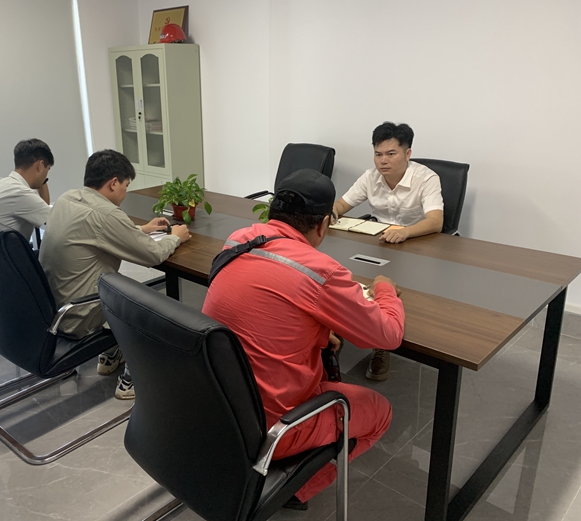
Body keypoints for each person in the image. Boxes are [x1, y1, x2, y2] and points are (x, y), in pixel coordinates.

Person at [202, 169, 404, 510]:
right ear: (323, 224)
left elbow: (265, 308)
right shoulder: (321, 270)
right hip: (271, 427)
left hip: (215, 404)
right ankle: (291, 492)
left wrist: (319, 331)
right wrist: (384, 288)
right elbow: (388, 334)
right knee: (379, 412)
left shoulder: (237, 240)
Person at [39, 149, 190, 400]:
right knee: (147, 303)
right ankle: (134, 377)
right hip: (80, 316)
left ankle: (110, 355)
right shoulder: (106, 214)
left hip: (55, 308)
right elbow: (152, 254)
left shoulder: (67, 198)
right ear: (113, 183)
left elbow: (96, 231)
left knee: (119, 288)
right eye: (126, 186)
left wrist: (141, 229)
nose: (125, 192)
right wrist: (175, 237)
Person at [333, 122, 442, 381]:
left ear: (407, 153)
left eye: (391, 154)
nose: (383, 161)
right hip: (380, 241)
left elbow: (436, 221)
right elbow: (342, 204)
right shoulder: (370, 177)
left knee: (386, 285)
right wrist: (332, 212)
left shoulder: (426, 178)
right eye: (378, 154)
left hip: (417, 245)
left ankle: (381, 346)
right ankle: (337, 331)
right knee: (346, 277)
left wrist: (405, 231)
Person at [0, 138, 54, 241]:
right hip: (8, 251)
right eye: (47, 169)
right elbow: (56, 222)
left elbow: (42, 209)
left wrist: (41, 180)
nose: (46, 175)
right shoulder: (20, 193)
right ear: (40, 165)